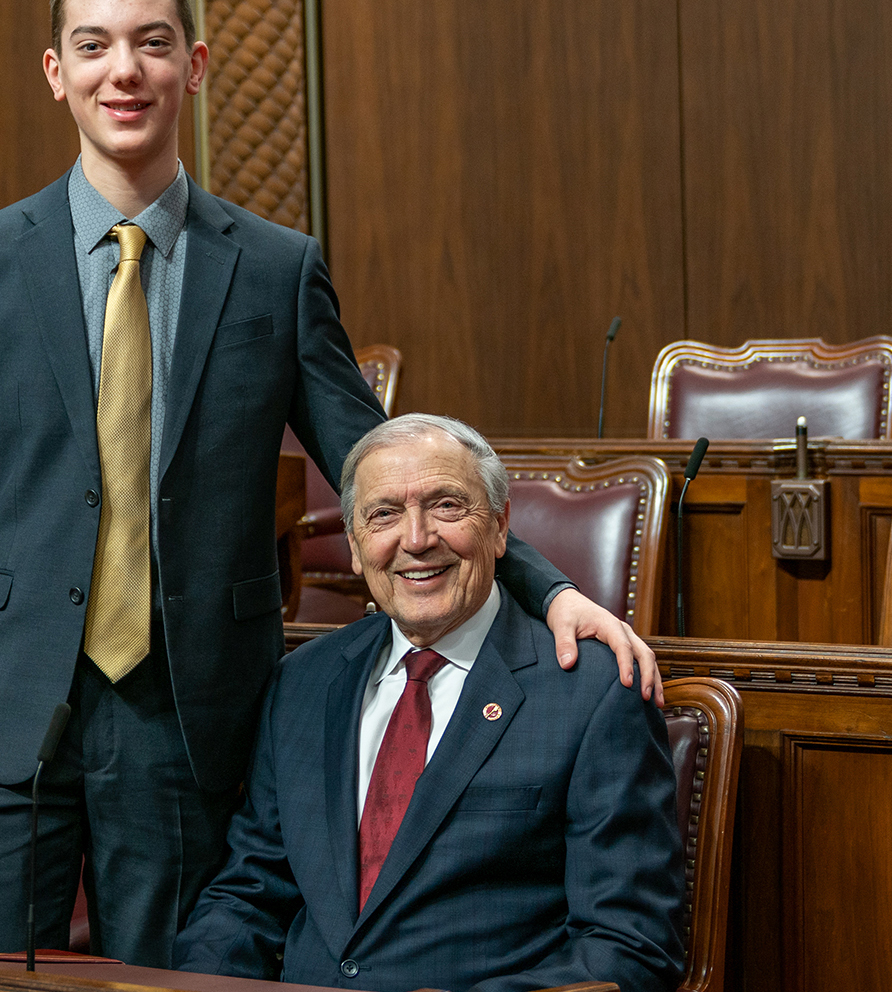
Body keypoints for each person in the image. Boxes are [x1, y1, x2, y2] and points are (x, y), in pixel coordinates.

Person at [0, 0, 662, 966]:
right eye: (97, 46)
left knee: (174, 983)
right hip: (5, 713)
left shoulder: (278, 271)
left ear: (194, 68)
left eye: (153, 43)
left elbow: (382, 464)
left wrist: (547, 587)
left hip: (189, 716)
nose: (127, 71)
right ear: (56, 73)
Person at [176, 414, 686, 992]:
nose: (415, 540)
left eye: (446, 506)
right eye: (384, 514)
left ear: (499, 528)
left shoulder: (591, 692)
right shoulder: (302, 683)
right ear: (353, 545)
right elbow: (248, 896)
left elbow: (629, 949)